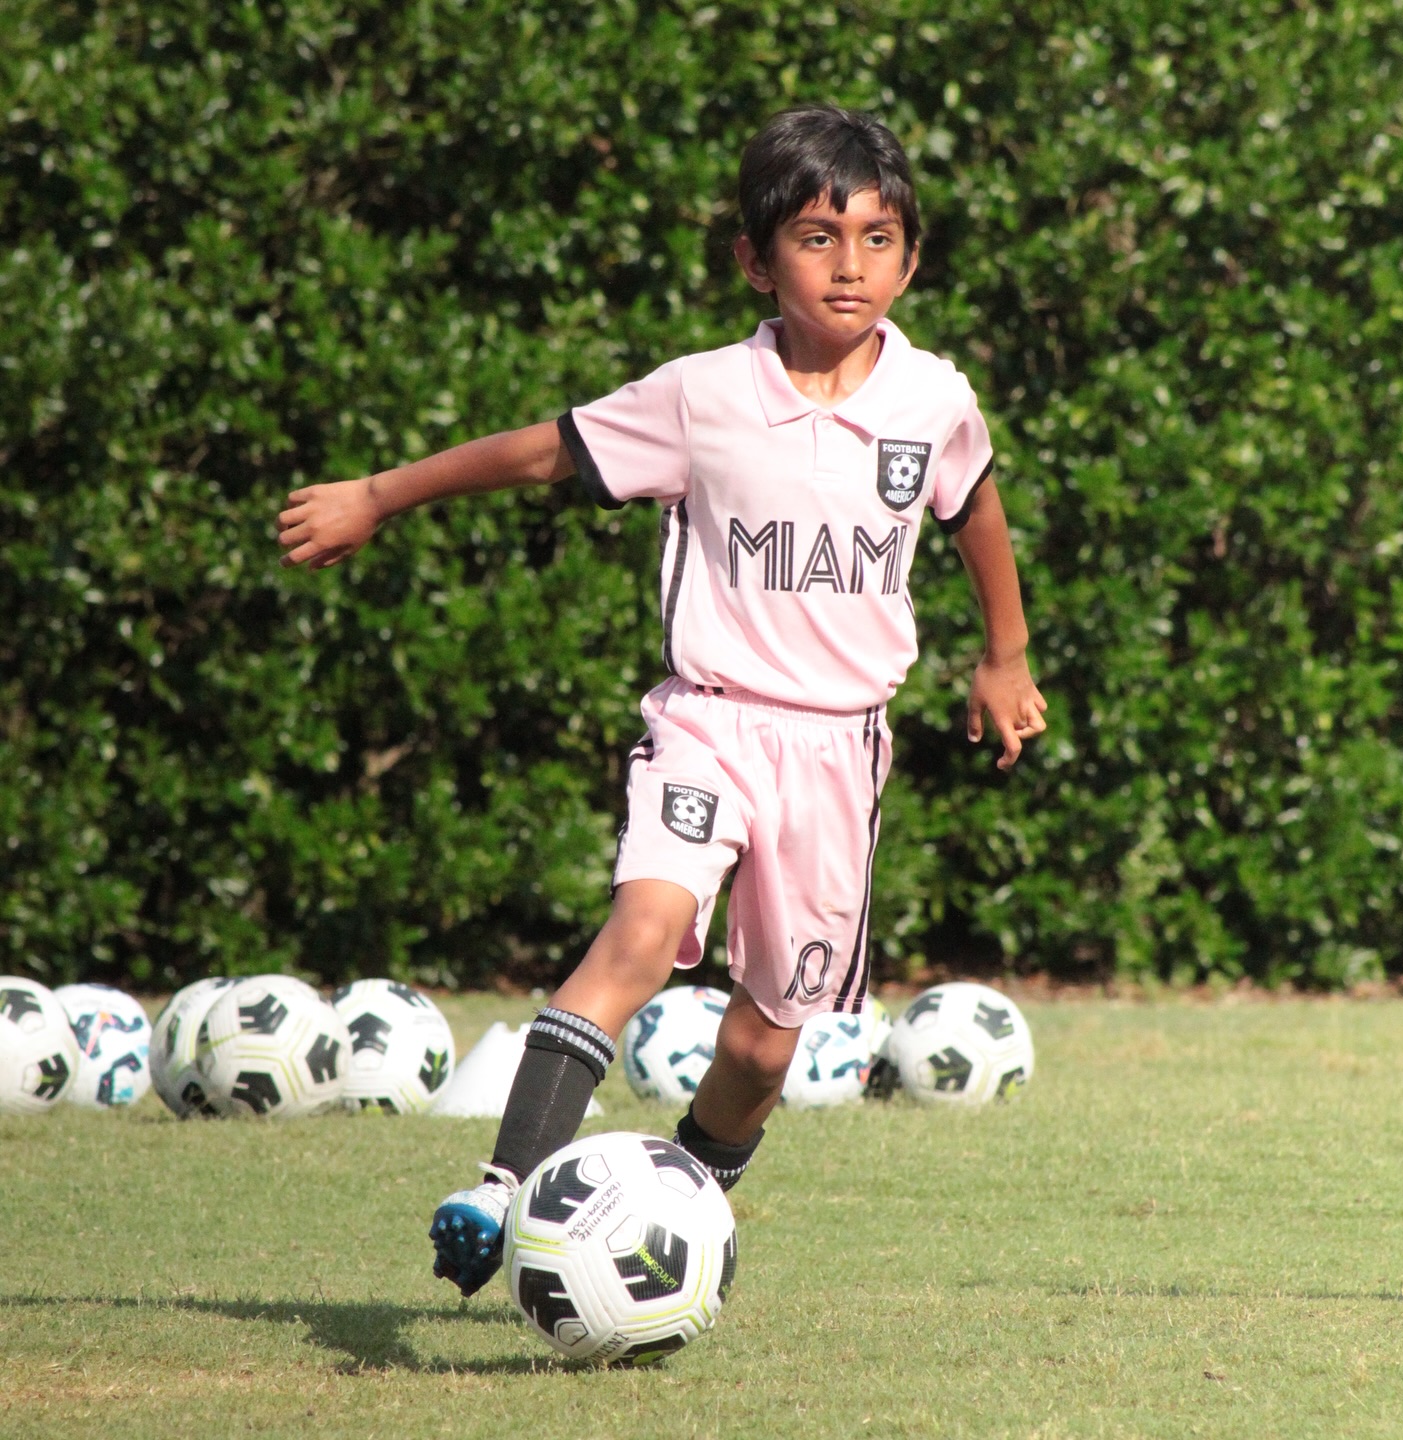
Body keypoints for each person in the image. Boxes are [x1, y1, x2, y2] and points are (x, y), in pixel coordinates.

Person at [276, 105, 1047, 1297]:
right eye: (815, 236)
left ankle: (675, 1223)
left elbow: (975, 511)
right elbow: (542, 450)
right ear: (753, 257)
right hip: (710, 720)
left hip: (840, 752)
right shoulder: (700, 397)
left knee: (761, 1045)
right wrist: (380, 495)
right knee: (640, 930)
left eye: (880, 238)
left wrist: (1006, 653)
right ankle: (497, 1192)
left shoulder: (935, 400)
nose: (851, 265)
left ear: (912, 255)